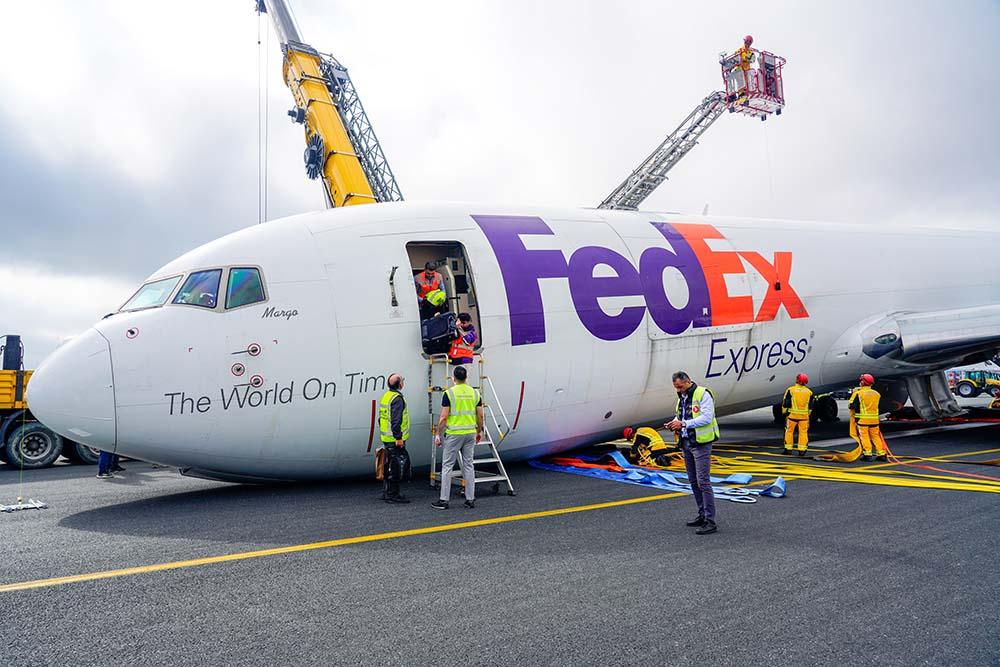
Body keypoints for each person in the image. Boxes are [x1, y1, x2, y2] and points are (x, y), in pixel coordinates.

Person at [666, 371, 720, 535]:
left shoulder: (703, 394)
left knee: (703, 481)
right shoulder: (682, 397)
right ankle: (702, 514)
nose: (678, 390)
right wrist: (674, 423)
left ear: (688, 381)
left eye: (680, 386)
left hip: (701, 443)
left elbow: (707, 417)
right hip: (686, 442)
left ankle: (711, 521)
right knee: (693, 480)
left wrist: (683, 424)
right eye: (676, 387)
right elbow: (681, 416)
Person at [431, 365, 484, 510]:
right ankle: (470, 499)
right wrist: (479, 431)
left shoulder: (449, 394)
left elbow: (443, 417)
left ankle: (444, 500)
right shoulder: (475, 393)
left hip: (454, 434)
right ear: (466, 377)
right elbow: (480, 415)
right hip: (470, 433)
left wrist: (438, 434)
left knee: (447, 466)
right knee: (468, 465)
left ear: (453, 378)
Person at [378, 373, 412, 503]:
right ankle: (393, 495)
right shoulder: (397, 399)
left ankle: (386, 492)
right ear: (399, 384)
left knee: (388, 465)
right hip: (395, 438)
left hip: (386, 437)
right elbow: (396, 421)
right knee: (396, 466)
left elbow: (381, 419)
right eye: (403, 380)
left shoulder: (386, 397)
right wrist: (398, 437)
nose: (403, 381)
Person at [850, 374, 887, 462]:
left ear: (863, 382)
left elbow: (851, 406)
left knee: (865, 437)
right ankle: (881, 454)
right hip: (874, 420)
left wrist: (853, 394)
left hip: (863, 420)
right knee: (876, 437)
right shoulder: (876, 394)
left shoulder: (859, 393)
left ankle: (867, 454)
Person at [782, 373, 816, 456]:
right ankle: (802, 450)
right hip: (804, 417)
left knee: (789, 432)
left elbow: (786, 403)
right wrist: (808, 414)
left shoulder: (791, 390)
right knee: (803, 433)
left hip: (792, 416)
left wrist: (784, 413)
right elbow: (811, 406)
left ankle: (788, 449)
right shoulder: (809, 392)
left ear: (797, 380)